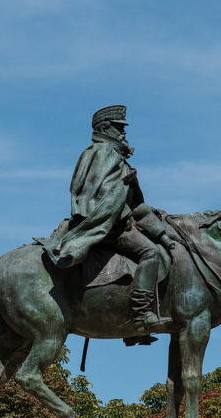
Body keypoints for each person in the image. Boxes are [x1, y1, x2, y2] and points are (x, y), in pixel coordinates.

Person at [46, 104, 178, 336]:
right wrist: (125, 216)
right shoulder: (104, 152)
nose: (123, 133)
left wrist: (162, 233)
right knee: (150, 254)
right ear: (105, 128)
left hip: (114, 222)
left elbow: (135, 205)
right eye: (119, 128)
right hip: (108, 226)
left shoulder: (111, 154)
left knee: (157, 247)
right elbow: (105, 195)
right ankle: (142, 314)